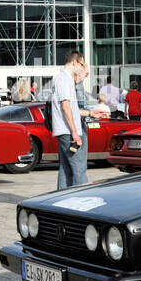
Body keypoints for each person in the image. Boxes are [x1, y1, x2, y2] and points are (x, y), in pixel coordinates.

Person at [51, 52, 89, 190]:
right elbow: (65, 107)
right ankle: (86, 198)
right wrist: (74, 132)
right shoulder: (64, 79)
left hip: (66, 130)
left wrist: (90, 113)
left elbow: (71, 109)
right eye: (81, 64)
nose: (83, 67)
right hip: (67, 131)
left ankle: (61, 199)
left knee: (66, 168)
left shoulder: (65, 79)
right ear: (75, 62)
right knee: (79, 168)